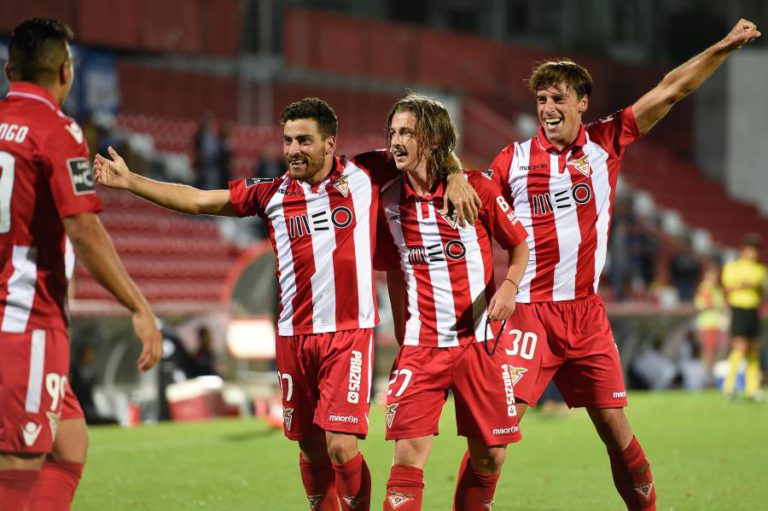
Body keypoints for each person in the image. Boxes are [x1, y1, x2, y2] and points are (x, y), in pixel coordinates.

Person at [94, 97, 478, 511]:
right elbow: (201, 200)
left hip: (348, 336)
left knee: (340, 446)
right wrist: (132, 181)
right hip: (294, 339)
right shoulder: (272, 194)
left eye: (304, 141)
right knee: (311, 449)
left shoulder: (364, 172)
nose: (293, 149)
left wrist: (456, 176)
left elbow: (422, 149)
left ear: (330, 144)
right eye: (288, 140)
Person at [486, 19, 761, 510]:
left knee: (616, 432)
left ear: (581, 103)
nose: (548, 109)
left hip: (586, 316)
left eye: (558, 99)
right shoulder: (512, 159)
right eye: (542, 100)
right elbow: (480, 212)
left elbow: (672, 90)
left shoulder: (606, 141)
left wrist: (722, 45)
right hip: (529, 314)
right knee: (493, 441)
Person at [0, 18, 162, 511]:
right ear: (66, 73)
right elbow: (84, 230)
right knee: (16, 475)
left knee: (69, 442)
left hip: (16, 321)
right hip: (25, 323)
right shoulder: (57, 128)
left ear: (10, 70)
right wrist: (139, 306)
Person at [375, 94, 529, 511]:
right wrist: (405, 338)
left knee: (490, 455)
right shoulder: (387, 200)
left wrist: (510, 288)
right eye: (393, 132)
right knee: (407, 459)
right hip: (422, 348)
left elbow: (518, 245)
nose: (396, 141)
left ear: (434, 138)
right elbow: (392, 270)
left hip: (479, 344)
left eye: (407, 132)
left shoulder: (475, 188)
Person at [722, 233, 766, 400]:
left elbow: (759, 287)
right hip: (739, 309)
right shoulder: (733, 267)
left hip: (753, 310)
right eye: (750, 249)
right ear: (743, 250)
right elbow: (728, 286)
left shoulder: (760, 269)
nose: (752, 253)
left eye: (755, 250)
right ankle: (729, 385)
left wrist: (745, 284)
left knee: (754, 349)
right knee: (739, 348)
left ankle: (752, 389)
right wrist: (743, 285)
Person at [694, 265, 728, 382]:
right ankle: (706, 377)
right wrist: (718, 306)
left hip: (717, 323)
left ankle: (713, 375)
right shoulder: (705, 289)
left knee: (718, 350)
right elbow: (703, 305)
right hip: (708, 324)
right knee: (709, 351)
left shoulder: (717, 289)